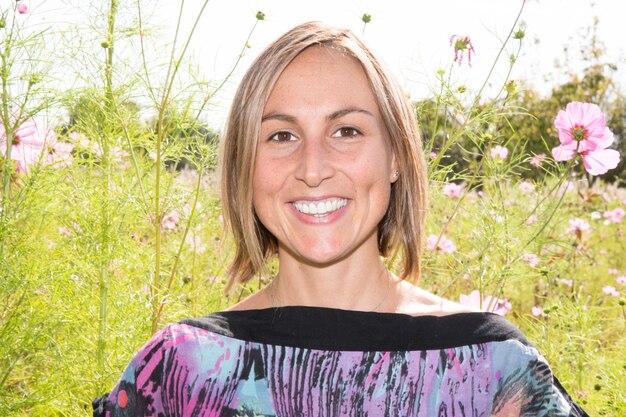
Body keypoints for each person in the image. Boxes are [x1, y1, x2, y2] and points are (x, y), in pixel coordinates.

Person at [94, 21, 588, 416]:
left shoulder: (493, 369)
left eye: (347, 130)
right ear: (244, 167)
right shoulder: (180, 369)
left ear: (396, 157)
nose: (312, 169)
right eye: (281, 136)